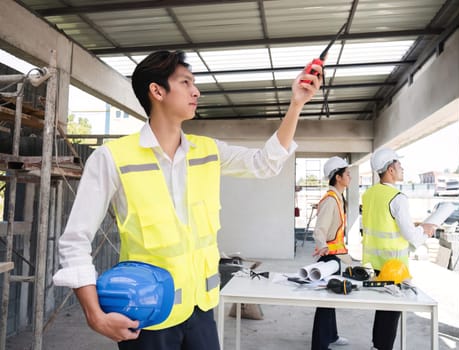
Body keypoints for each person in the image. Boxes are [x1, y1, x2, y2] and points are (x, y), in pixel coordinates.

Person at [52, 50, 322, 350]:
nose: (196, 91)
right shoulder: (112, 158)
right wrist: (96, 317)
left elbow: (265, 163)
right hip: (147, 314)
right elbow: (74, 241)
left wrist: (297, 103)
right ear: (157, 91)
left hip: (201, 311)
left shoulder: (207, 151)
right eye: (185, 82)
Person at [361, 148, 436, 350]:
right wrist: (425, 231)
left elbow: (380, 225)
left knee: (383, 309)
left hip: (373, 264)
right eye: (399, 165)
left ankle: (377, 346)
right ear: (390, 170)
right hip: (393, 266)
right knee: (391, 313)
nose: (402, 168)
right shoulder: (398, 197)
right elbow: (410, 235)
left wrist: (418, 229)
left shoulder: (368, 195)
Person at [310, 156, 351, 350]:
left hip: (336, 256)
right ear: (337, 177)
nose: (350, 176)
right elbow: (320, 229)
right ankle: (320, 345)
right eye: (347, 173)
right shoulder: (330, 200)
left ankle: (331, 335)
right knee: (325, 302)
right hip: (329, 258)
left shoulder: (339, 197)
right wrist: (322, 245)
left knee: (330, 298)